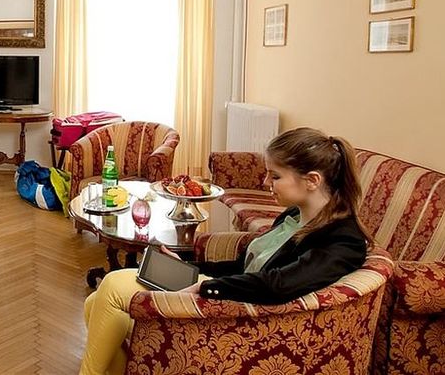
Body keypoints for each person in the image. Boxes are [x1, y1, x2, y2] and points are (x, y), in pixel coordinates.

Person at [80, 127, 373, 375]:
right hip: (231, 294)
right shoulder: (294, 216)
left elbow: (280, 284)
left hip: (241, 319)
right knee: (94, 303)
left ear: (312, 180)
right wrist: (189, 267)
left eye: (275, 176)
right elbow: (245, 267)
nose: (265, 183)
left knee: (113, 285)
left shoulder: (343, 240)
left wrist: (205, 286)